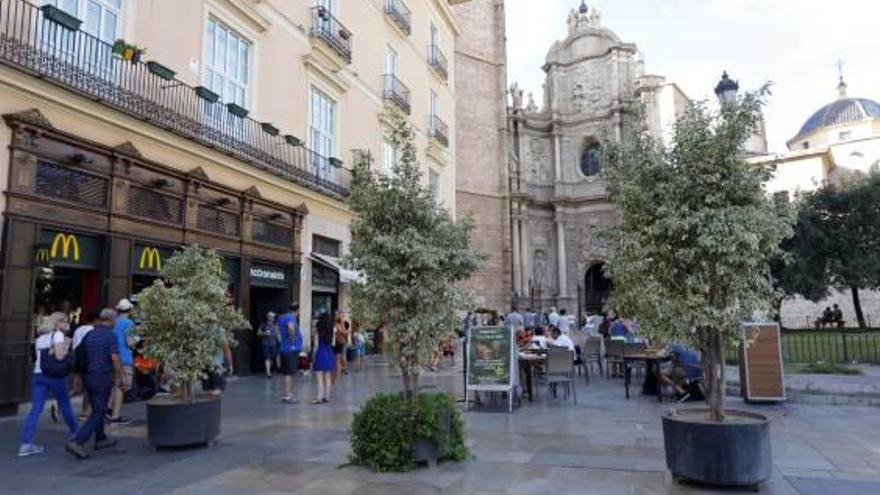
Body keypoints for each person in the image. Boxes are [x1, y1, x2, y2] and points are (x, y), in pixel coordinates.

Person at [67, 308, 125, 459]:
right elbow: (115, 358)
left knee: (97, 407)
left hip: (88, 376)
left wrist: (78, 380)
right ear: (112, 320)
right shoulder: (110, 336)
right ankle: (78, 441)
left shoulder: (90, 334)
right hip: (102, 376)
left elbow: (80, 356)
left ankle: (101, 438)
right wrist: (121, 376)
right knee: (99, 411)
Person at [18, 313, 78, 457]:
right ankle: (77, 433)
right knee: (65, 404)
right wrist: (67, 345)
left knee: (36, 409)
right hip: (55, 376)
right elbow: (59, 356)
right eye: (64, 321)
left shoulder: (41, 338)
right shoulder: (57, 335)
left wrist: (52, 350)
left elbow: (46, 355)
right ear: (57, 323)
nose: (67, 324)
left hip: (38, 374)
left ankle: (25, 444)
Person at [108, 298, 135, 425]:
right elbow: (130, 342)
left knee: (114, 385)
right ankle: (115, 415)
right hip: (124, 358)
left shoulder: (113, 322)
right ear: (130, 310)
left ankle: (109, 410)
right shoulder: (129, 323)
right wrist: (137, 339)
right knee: (122, 386)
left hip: (111, 357)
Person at [276, 304, 302, 404]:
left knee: (286, 373)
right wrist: (292, 338)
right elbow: (290, 327)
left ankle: (287, 394)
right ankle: (288, 396)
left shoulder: (282, 317)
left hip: (284, 349)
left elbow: (278, 330)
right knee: (289, 374)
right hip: (290, 350)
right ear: (298, 310)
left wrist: (281, 341)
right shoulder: (291, 317)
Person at [312, 311, 335, 404]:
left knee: (319, 378)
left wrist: (313, 356)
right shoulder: (332, 330)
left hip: (320, 354)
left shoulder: (318, 331)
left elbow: (316, 346)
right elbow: (333, 344)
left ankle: (319, 398)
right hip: (329, 353)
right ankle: (327, 397)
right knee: (328, 377)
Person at [202, 327, 233, 396]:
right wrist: (230, 365)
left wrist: (230, 364)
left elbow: (226, 349)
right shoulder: (218, 330)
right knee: (213, 391)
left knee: (213, 391)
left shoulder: (217, 330)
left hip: (214, 364)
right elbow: (226, 349)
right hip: (212, 364)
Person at [257, 311, 279, 378]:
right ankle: (268, 373)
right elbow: (258, 333)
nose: (273, 318)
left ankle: (268, 369)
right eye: (271, 317)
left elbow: (277, 333)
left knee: (271, 358)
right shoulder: (264, 325)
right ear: (268, 317)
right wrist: (264, 333)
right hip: (266, 344)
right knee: (267, 357)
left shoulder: (275, 325)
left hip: (273, 344)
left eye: (273, 317)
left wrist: (279, 340)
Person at [332, 311, 348, 382]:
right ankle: (340, 372)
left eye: (338, 315)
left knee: (339, 358)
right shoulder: (335, 324)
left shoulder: (340, 324)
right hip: (336, 342)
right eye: (337, 315)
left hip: (340, 342)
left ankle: (338, 376)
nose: (337, 316)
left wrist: (341, 331)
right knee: (337, 359)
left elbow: (344, 332)